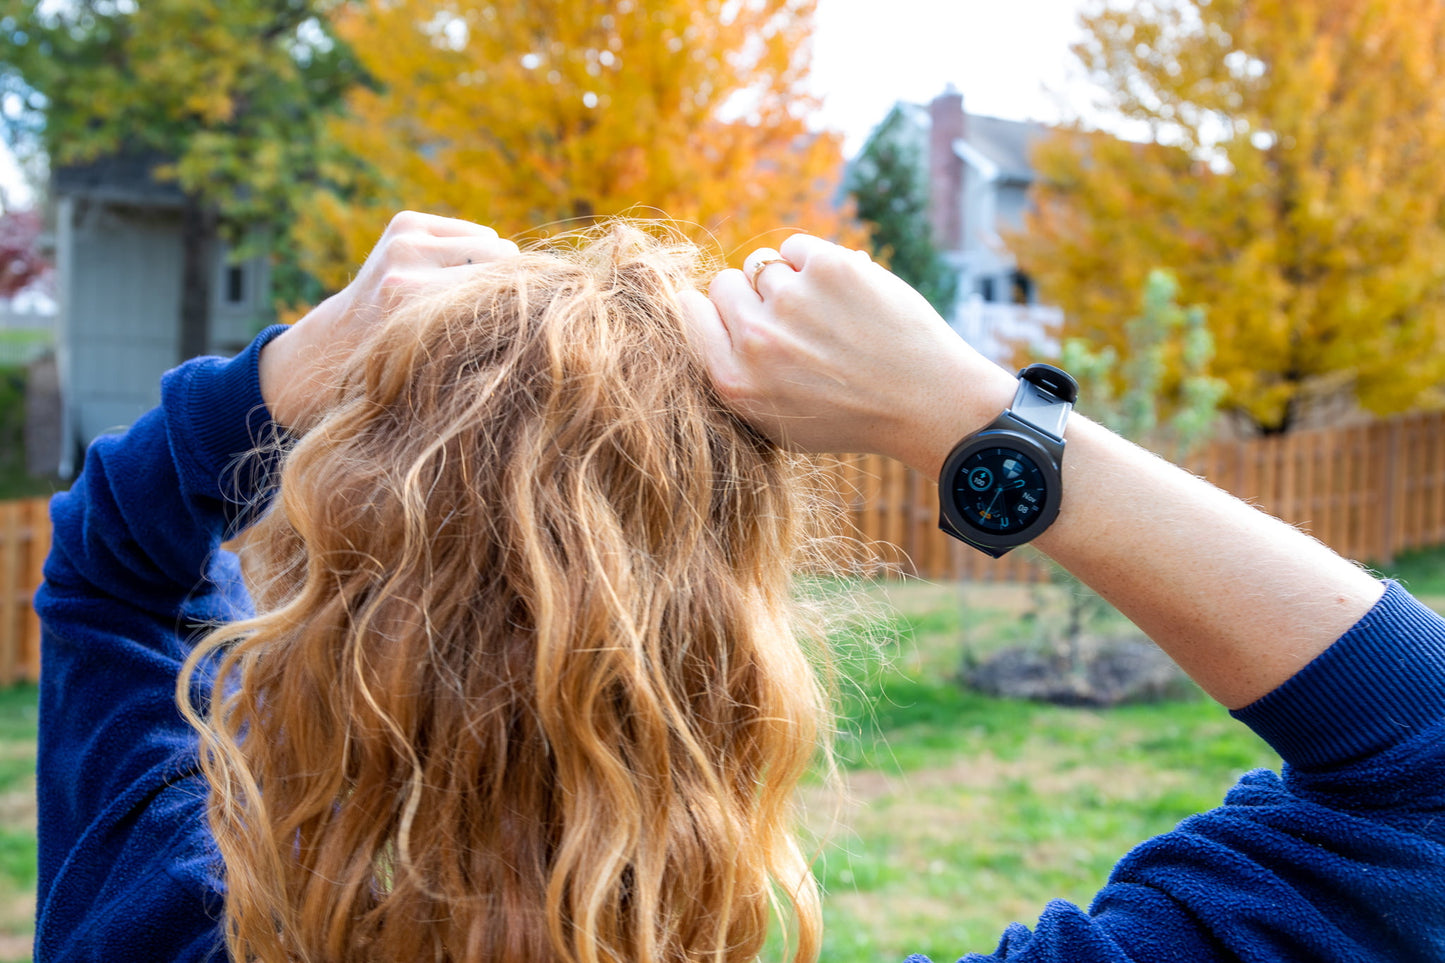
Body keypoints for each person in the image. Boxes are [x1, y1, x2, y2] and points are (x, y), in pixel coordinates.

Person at [32, 211, 1445, 963]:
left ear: (323, 617)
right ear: (735, 676)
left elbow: (108, 574)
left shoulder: (143, 916)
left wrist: (292, 367)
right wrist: (971, 416)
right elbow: (1419, 777)